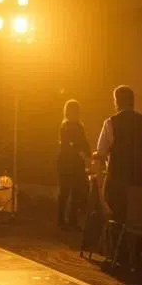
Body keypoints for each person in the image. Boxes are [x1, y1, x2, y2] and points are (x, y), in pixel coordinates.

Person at [96, 85, 142, 223]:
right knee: (138, 217)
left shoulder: (110, 123)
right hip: (140, 179)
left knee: (118, 218)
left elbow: (101, 152)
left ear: (117, 102)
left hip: (117, 180)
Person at [56, 99, 89, 230]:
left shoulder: (72, 126)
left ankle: (69, 220)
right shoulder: (68, 127)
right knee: (67, 191)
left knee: (74, 191)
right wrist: (84, 152)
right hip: (69, 162)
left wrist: (88, 153)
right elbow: (77, 143)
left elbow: (83, 143)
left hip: (71, 162)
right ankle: (64, 220)